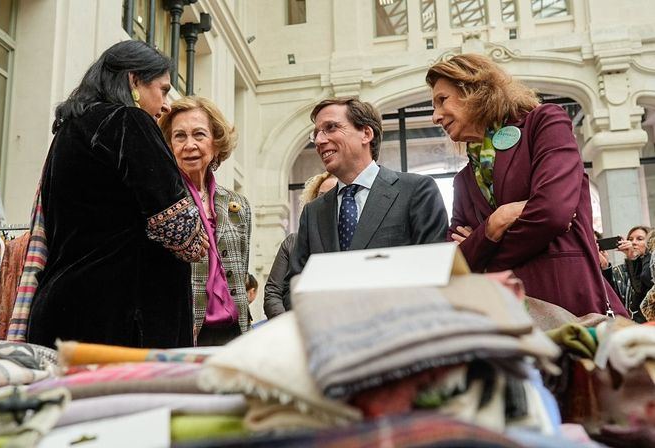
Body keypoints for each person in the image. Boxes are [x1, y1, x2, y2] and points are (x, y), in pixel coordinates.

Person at [25, 41, 208, 348]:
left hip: (64, 312)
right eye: (163, 90)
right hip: (120, 322)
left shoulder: (67, 132)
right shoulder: (129, 122)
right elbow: (185, 236)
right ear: (133, 80)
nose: (166, 105)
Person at [427, 53, 626, 318]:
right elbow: (457, 262)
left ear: (475, 90)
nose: (435, 116)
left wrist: (483, 250)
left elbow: (552, 213)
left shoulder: (544, 123)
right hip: (504, 316)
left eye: (442, 100)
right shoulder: (464, 180)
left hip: (566, 304)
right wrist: (495, 223)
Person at [287, 97, 448, 286]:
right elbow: (293, 285)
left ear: (366, 133)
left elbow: (432, 271)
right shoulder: (312, 212)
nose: (320, 140)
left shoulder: (417, 191)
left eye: (331, 127)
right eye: (316, 134)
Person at [159, 96, 251, 346]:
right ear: (168, 145)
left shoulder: (238, 204)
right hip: (183, 332)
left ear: (216, 142)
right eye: (179, 136)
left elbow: (241, 270)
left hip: (235, 332)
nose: (189, 145)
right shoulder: (162, 201)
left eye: (199, 134)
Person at [263, 172, 337, 319]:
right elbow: (273, 292)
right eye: (321, 195)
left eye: (332, 195)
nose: (326, 201)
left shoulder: (348, 240)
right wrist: (285, 324)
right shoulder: (292, 242)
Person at [612, 225, 652, 322]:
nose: (633, 242)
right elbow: (637, 289)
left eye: (640, 239)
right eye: (630, 239)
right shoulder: (624, 267)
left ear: (650, 242)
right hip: (634, 320)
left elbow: (646, 283)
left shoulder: (651, 264)